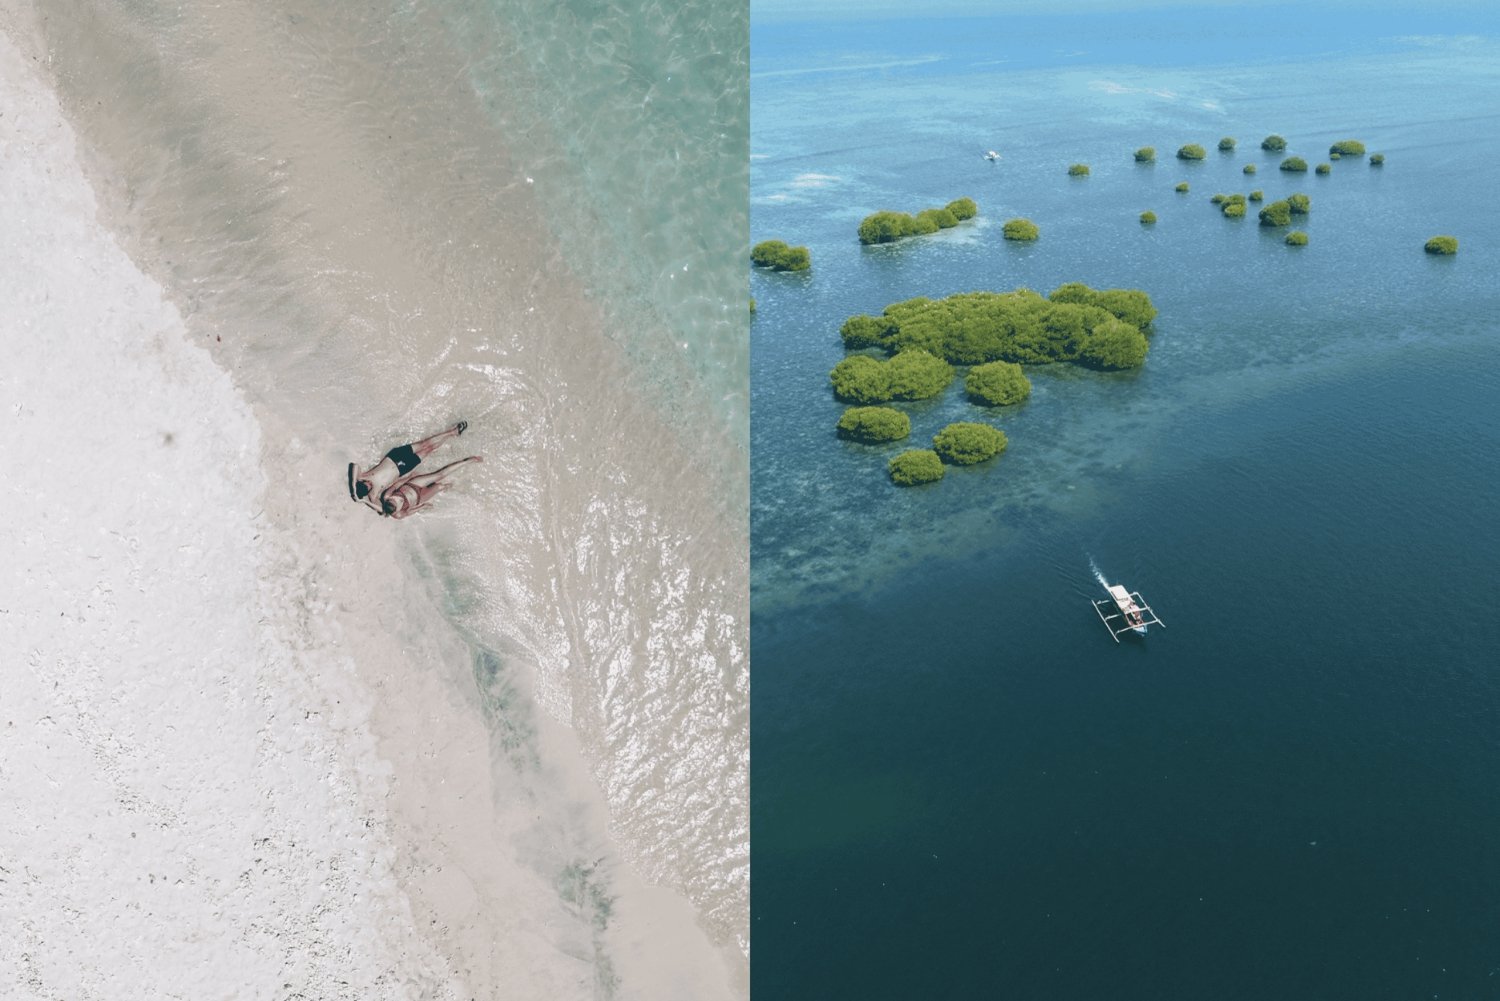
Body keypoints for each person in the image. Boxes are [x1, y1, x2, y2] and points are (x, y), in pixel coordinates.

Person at [347, 421, 480, 517]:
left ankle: (453, 432)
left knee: (424, 444)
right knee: (428, 450)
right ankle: (449, 437)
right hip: (402, 470)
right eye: (369, 486)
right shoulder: (372, 495)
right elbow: (382, 511)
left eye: (366, 483)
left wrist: (353, 486)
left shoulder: (363, 476)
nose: (369, 484)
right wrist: (362, 500)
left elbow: (354, 466)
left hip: (394, 457)